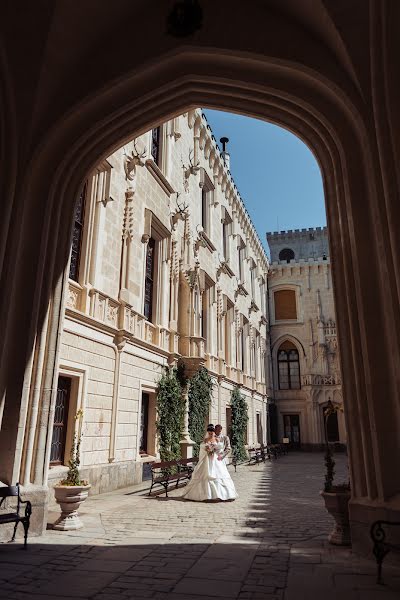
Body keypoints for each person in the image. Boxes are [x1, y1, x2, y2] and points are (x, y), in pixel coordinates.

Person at [181, 424, 238, 502]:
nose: (211, 433)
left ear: (214, 432)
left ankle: (221, 494)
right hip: (207, 459)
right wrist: (208, 450)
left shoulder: (217, 440)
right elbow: (202, 450)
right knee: (205, 475)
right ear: (207, 432)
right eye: (209, 432)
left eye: (212, 432)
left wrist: (216, 453)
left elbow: (219, 449)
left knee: (219, 475)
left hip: (215, 459)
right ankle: (206, 495)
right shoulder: (205, 440)